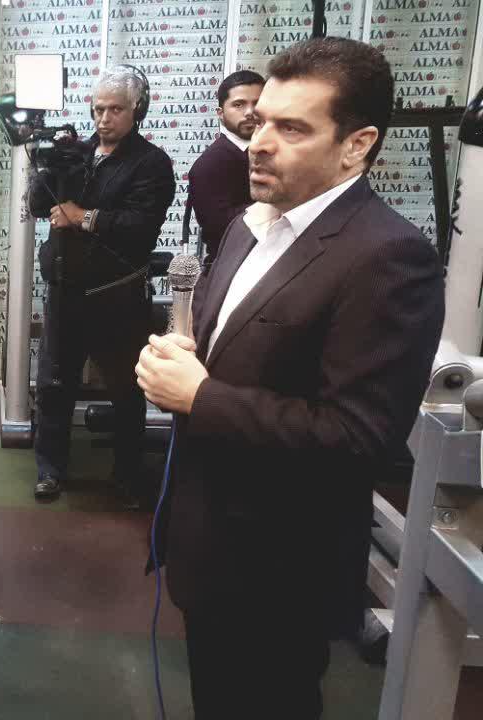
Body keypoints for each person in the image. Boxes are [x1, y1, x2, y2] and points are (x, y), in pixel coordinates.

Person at [135, 38, 444, 719]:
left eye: (293, 129)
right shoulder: (249, 226)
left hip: (279, 568)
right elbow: (230, 350)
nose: (260, 143)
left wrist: (200, 395)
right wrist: (179, 359)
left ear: (357, 145)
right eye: (260, 122)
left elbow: (360, 435)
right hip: (207, 544)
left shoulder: (388, 257)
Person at [34, 65, 176, 504]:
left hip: (117, 295)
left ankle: (127, 475)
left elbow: (140, 226)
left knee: (125, 390)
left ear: (138, 110)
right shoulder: (76, 153)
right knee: (54, 385)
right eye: (98, 109)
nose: (104, 118)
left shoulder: (152, 163)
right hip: (65, 290)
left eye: (115, 109)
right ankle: (50, 469)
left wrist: (84, 216)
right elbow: (39, 206)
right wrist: (48, 167)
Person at [187, 70, 264, 262]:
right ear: (220, 114)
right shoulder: (210, 164)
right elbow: (220, 227)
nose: (250, 112)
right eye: (238, 105)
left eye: (257, 103)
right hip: (232, 266)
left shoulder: (278, 152)